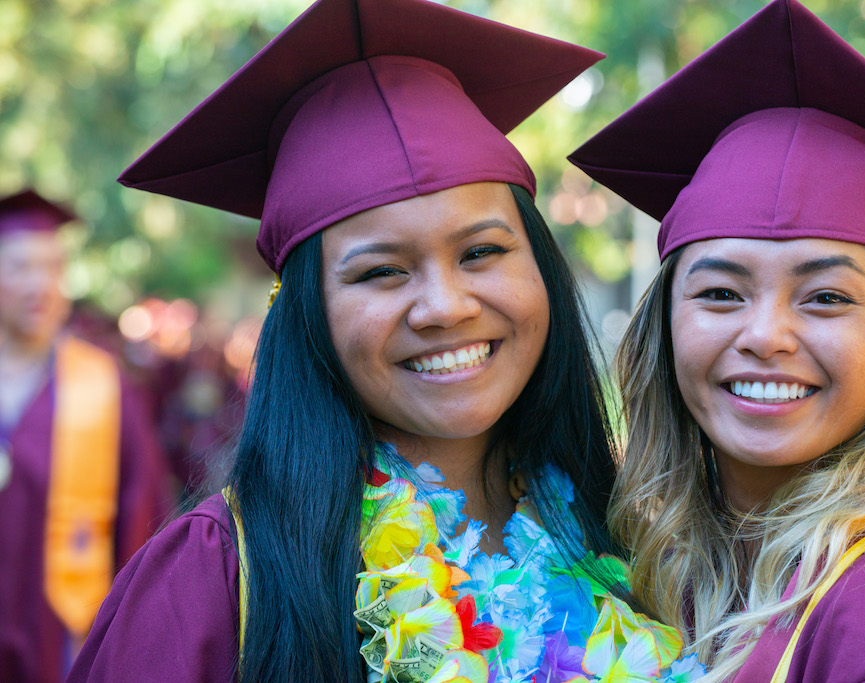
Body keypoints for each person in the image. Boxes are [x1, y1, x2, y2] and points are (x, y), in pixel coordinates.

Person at [68, 0, 707, 681]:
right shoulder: (214, 579)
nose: (444, 306)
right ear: (308, 312)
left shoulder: (645, 548)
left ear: (541, 267)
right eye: (381, 271)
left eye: (482, 252)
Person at [569, 0, 865, 680]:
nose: (766, 335)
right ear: (665, 328)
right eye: (721, 292)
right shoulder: (667, 567)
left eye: (827, 298)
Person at [0, 189, 173, 681]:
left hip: (63, 631)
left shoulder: (100, 382)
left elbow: (141, 511)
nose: (40, 285)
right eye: (20, 267)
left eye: (53, 268)